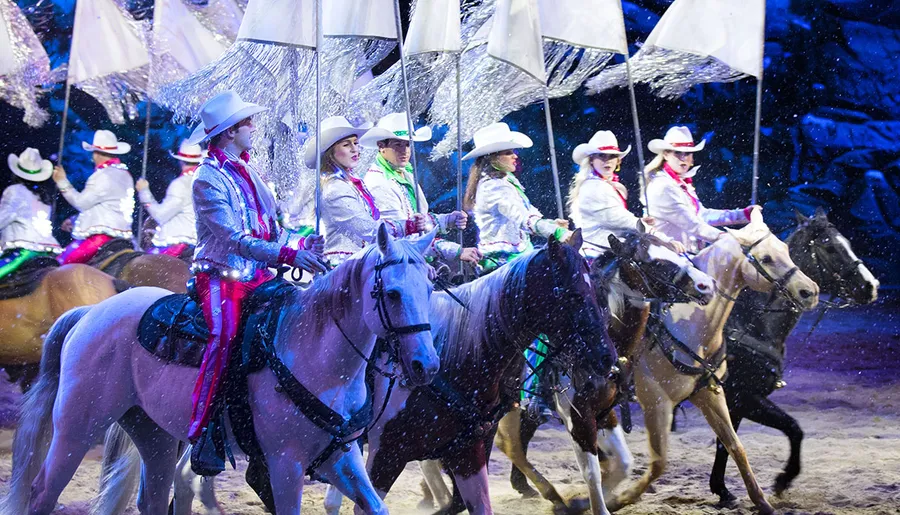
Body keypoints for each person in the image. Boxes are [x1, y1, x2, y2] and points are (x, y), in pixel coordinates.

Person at [183, 90, 325, 458]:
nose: (253, 127)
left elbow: (272, 229)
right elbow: (232, 238)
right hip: (220, 276)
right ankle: (204, 430)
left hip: (259, 275)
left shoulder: (250, 171)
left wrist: (301, 245)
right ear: (230, 131)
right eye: (248, 122)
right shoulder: (207, 178)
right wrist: (286, 253)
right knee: (224, 335)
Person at [360, 112, 481, 265]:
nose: (404, 150)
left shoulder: (404, 173)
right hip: (394, 267)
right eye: (398, 144)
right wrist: (454, 250)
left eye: (407, 144)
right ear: (381, 146)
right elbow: (404, 239)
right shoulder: (379, 182)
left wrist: (447, 220)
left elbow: (420, 221)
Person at [307, 116, 425, 267]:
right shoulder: (335, 189)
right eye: (346, 145)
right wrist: (408, 226)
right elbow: (369, 230)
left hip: (361, 266)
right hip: (343, 271)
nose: (354, 149)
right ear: (331, 152)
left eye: (355, 143)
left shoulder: (351, 183)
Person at [462, 122, 572, 272]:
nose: (515, 156)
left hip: (517, 257)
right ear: (492, 158)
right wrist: (557, 232)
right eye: (508, 152)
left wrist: (551, 224)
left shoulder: (504, 182)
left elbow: (524, 214)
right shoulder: (493, 187)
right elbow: (522, 217)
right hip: (504, 262)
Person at [568, 130, 685, 259]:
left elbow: (616, 220)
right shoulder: (593, 187)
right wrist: (661, 237)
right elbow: (621, 220)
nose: (607, 161)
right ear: (591, 160)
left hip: (614, 246)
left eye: (612, 156)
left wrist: (640, 223)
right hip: (597, 250)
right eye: (602, 156)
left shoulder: (607, 185)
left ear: (618, 161)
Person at [644, 126, 758, 252]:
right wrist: (729, 239)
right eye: (677, 153)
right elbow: (693, 225)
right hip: (668, 258)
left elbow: (702, 215)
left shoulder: (680, 184)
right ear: (666, 154)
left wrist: (743, 214)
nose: (683, 158)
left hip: (689, 256)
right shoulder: (662, 186)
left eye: (687, 153)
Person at [53, 130, 136, 264]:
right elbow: (108, 206)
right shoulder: (125, 174)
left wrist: (62, 181)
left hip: (100, 238)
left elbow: (81, 203)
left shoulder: (102, 175)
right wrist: (75, 220)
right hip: (123, 237)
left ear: (96, 154)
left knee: (60, 264)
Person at [135, 140, 203, 259]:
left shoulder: (180, 184)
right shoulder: (203, 183)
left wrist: (144, 192)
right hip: (197, 245)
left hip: (176, 244)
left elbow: (160, 215)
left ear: (181, 161)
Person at [0, 148, 61, 278]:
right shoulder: (44, 196)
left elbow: (3, 218)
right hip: (48, 253)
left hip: (24, 252)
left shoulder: (14, 190)